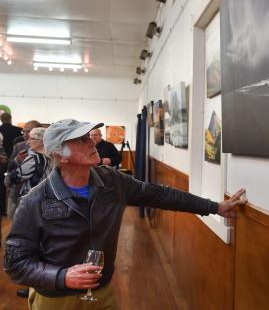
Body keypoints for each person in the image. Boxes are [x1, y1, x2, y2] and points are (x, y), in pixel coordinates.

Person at [4, 119, 246, 310]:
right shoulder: (35, 201)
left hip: (101, 290)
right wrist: (62, 276)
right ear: (59, 155)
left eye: (89, 136)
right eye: (80, 140)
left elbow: (158, 194)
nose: (91, 142)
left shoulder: (112, 182)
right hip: (55, 298)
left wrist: (214, 207)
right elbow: (15, 262)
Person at [5, 127, 51, 219]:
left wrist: (8, 176)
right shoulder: (50, 157)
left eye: (31, 139)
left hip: (31, 201)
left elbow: (15, 177)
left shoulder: (34, 158)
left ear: (42, 141)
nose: (27, 142)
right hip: (45, 199)